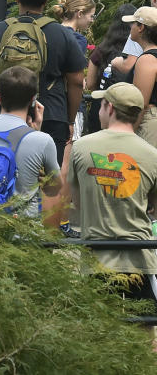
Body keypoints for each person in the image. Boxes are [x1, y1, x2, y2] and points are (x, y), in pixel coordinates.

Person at [0, 0, 86, 164]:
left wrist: (2, 73)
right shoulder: (62, 34)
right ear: (46, 1)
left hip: (1, 113)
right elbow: (77, 81)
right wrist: (70, 120)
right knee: (46, 179)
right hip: (51, 113)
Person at [69, 82, 157, 303]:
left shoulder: (81, 148)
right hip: (140, 257)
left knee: (100, 330)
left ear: (109, 108)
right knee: (143, 328)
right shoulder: (152, 155)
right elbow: (154, 208)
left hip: (96, 257)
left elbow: (77, 203)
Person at [0, 66, 61, 220]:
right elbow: (53, 189)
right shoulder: (42, 140)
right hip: (20, 232)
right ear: (33, 100)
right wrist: (37, 132)